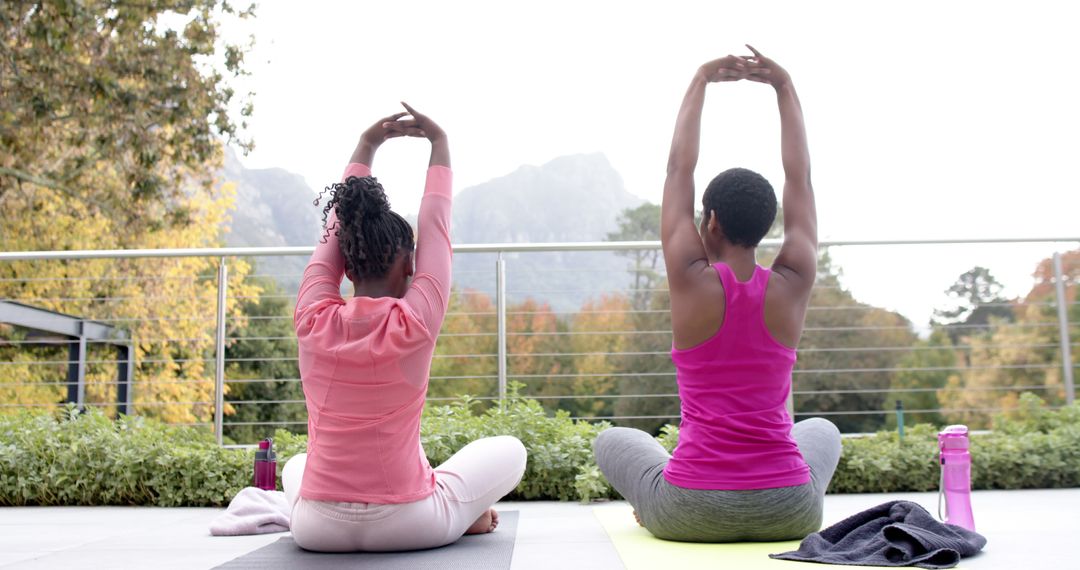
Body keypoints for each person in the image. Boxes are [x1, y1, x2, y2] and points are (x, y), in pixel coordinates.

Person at [593, 46, 842, 542]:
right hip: (790, 510)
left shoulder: (691, 278)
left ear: (709, 221)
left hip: (690, 510)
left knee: (612, 440)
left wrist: (701, 80)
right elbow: (801, 179)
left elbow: (676, 172)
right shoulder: (793, 279)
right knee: (823, 430)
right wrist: (784, 87)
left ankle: (656, 499)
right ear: (769, 224)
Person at [283, 103, 527, 552]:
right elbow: (437, 226)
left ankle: (447, 507)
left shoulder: (312, 318)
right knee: (512, 450)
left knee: (296, 463)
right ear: (411, 264)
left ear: (346, 267)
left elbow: (330, 238)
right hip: (410, 523)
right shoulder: (416, 320)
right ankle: (460, 513)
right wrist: (440, 143)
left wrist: (366, 145)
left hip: (316, 529)